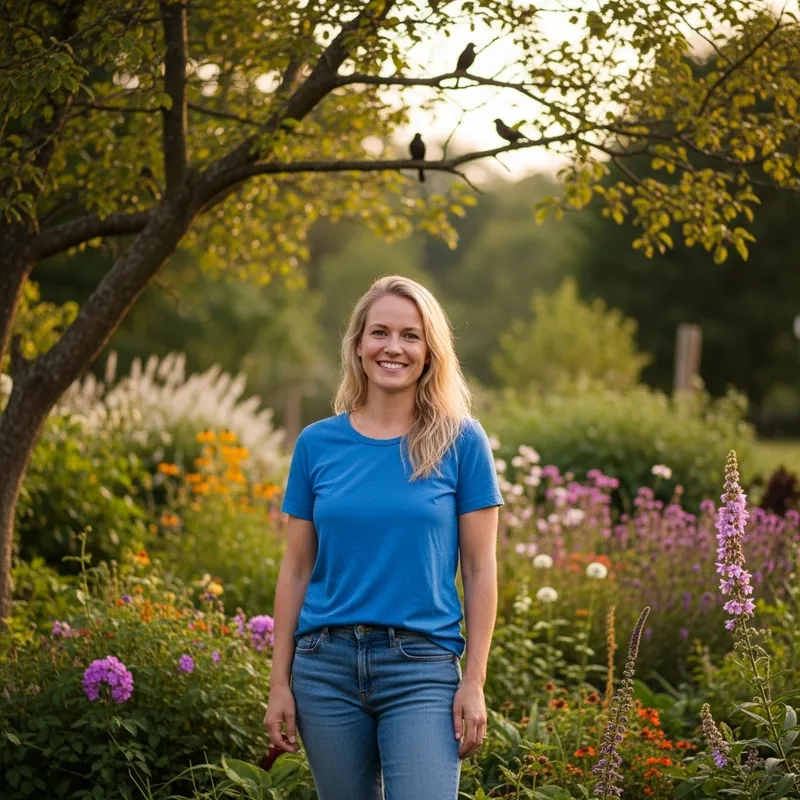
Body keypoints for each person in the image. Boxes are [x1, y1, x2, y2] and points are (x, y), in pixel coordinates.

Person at [264, 275, 503, 800]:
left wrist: (475, 682)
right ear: (358, 345)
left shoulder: (461, 441)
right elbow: (296, 569)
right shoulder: (316, 444)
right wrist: (279, 683)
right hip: (324, 671)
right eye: (379, 332)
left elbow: (480, 569)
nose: (393, 347)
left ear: (430, 350)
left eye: (410, 335)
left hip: (421, 670)